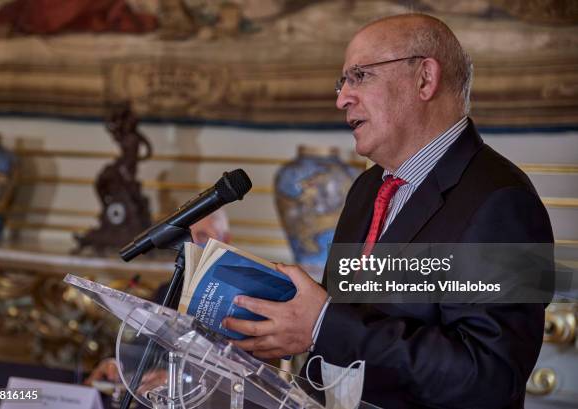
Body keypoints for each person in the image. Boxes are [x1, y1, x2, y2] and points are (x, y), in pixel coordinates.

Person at [222, 14, 554, 408]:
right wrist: (285, 331)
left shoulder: (502, 200)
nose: (342, 97)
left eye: (360, 76)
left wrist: (323, 325)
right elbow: (344, 326)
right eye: (342, 81)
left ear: (425, 79)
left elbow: (487, 377)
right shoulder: (368, 188)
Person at [84, 209, 231, 386]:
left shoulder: (241, 296)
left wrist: (179, 378)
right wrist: (117, 365)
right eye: (186, 236)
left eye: (201, 235)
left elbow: (237, 364)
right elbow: (145, 344)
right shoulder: (168, 290)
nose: (191, 244)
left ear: (225, 240)